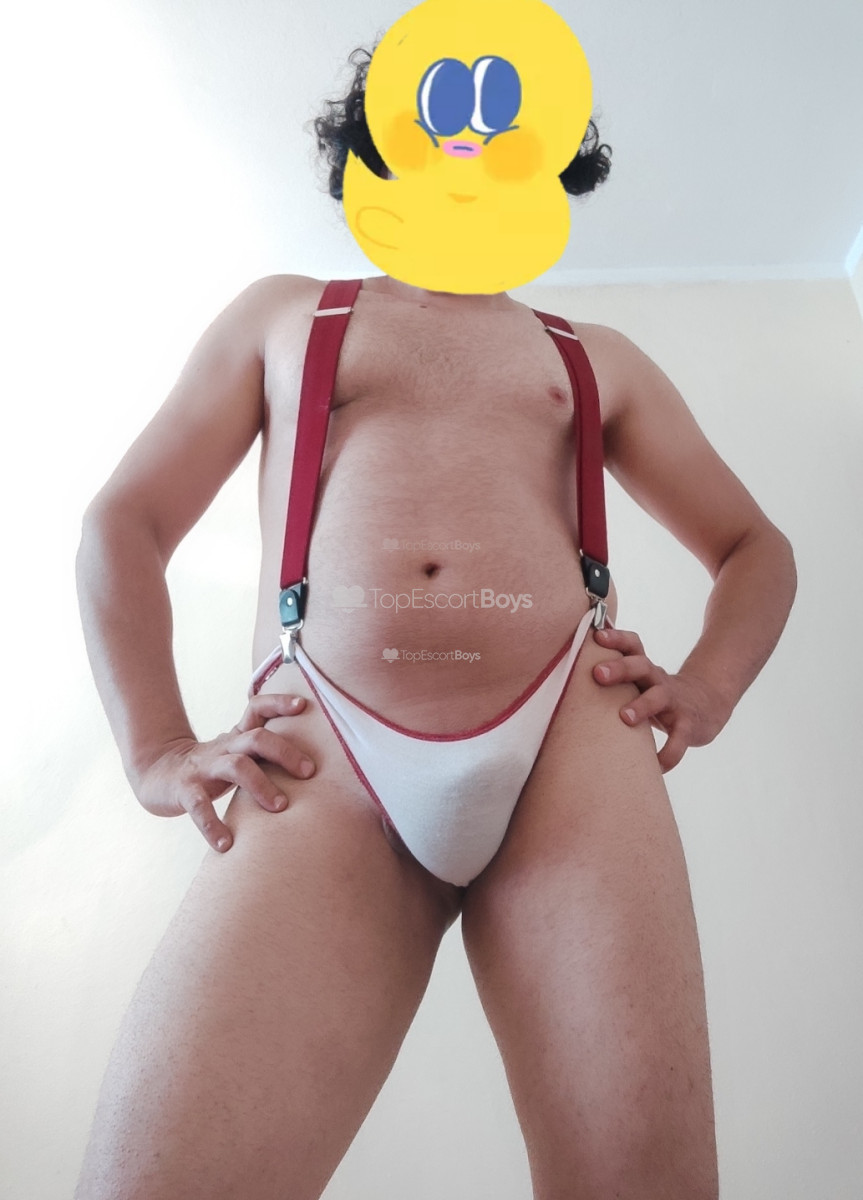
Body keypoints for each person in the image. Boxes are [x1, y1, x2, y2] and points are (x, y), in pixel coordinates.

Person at [73, 43, 796, 1200]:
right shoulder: (286, 317)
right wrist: (154, 745)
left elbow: (755, 548)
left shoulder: (593, 359)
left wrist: (706, 686)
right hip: (323, 758)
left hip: (568, 746)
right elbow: (126, 522)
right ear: (372, 151)